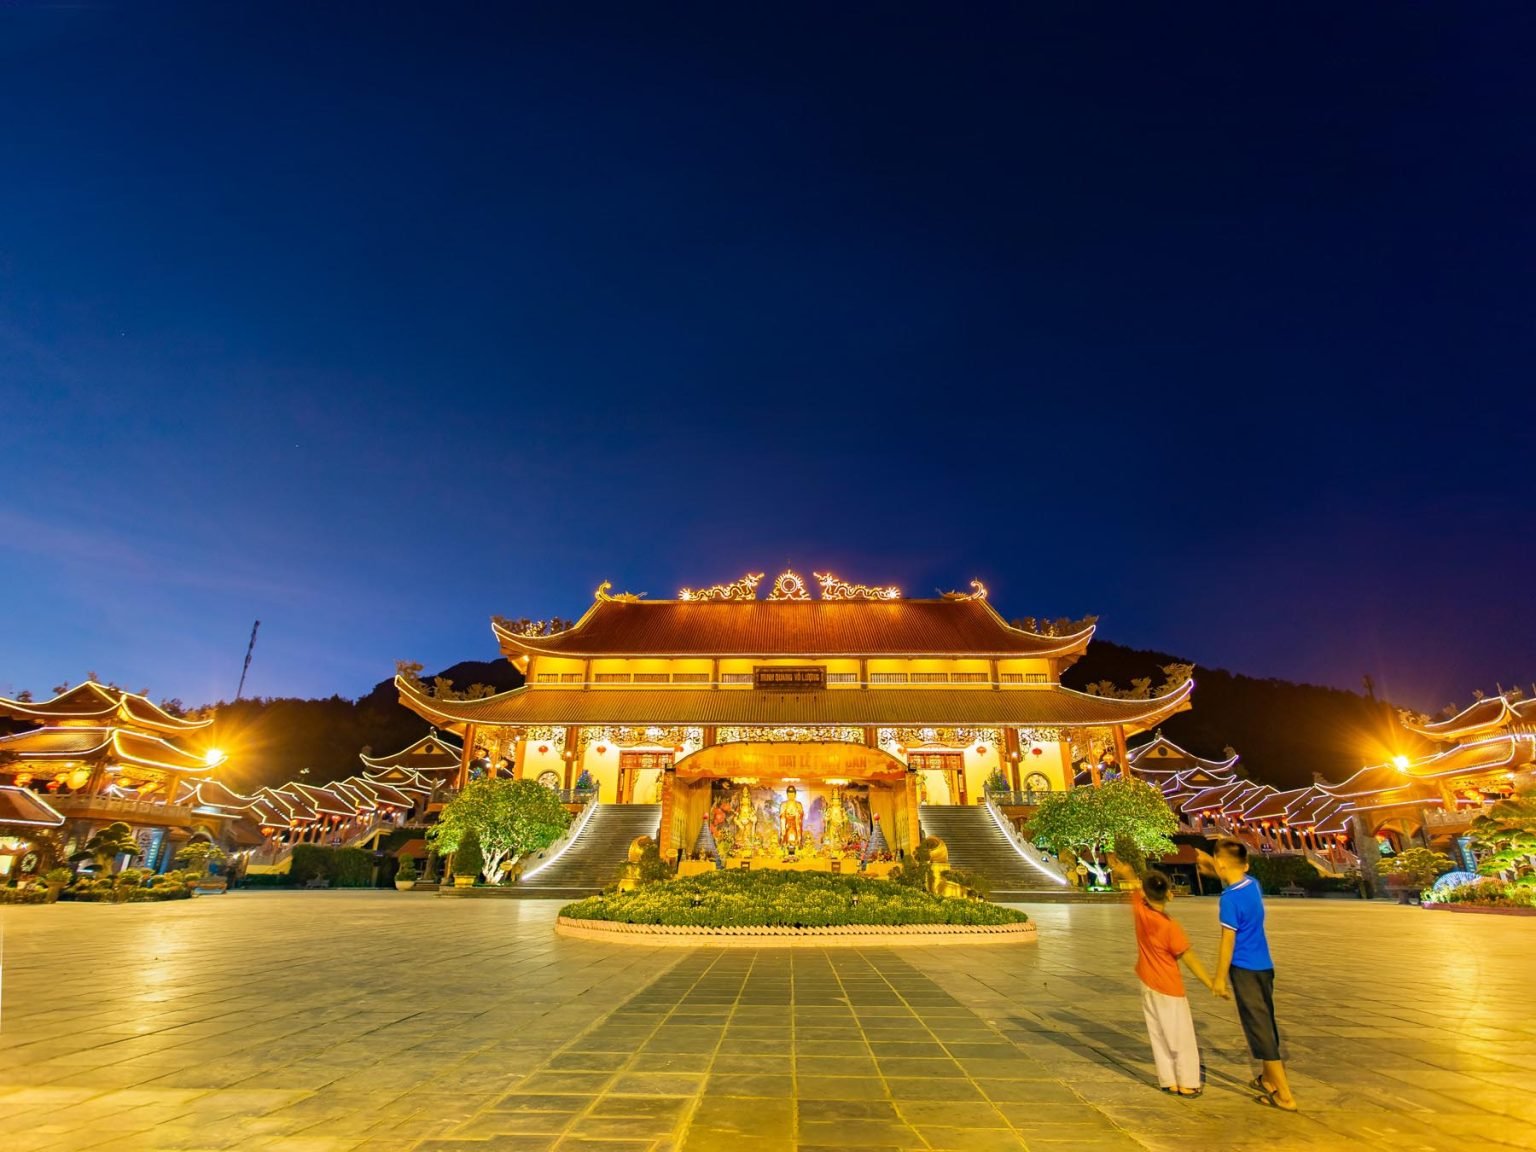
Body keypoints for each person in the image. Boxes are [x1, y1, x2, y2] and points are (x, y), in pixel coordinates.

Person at [1209, 839, 1298, 1112]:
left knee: (1259, 1030)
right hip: (1264, 966)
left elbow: (1228, 941)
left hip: (1244, 968)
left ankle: (1284, 1094)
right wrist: (1211, 864)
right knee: (1266, 1021)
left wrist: (1219, 977)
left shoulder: (1229, 899)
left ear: (1220, 864)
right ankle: (1267, 1080)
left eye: (1216, 861)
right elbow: (1234, 871)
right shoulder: (1253, 885)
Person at [1115, 861, 1217, 1097]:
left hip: (1147, 982)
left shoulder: (1141, 912)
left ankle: (1168, 1079)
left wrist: (1128, 872)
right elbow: (1189, 959)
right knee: (1180, 1035)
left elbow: (1136, 890)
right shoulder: (1170, 927)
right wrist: (1211, 983)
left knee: (1158, 1032)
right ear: (1170, 894)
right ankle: (1188, 1082)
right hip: (1169, 987)